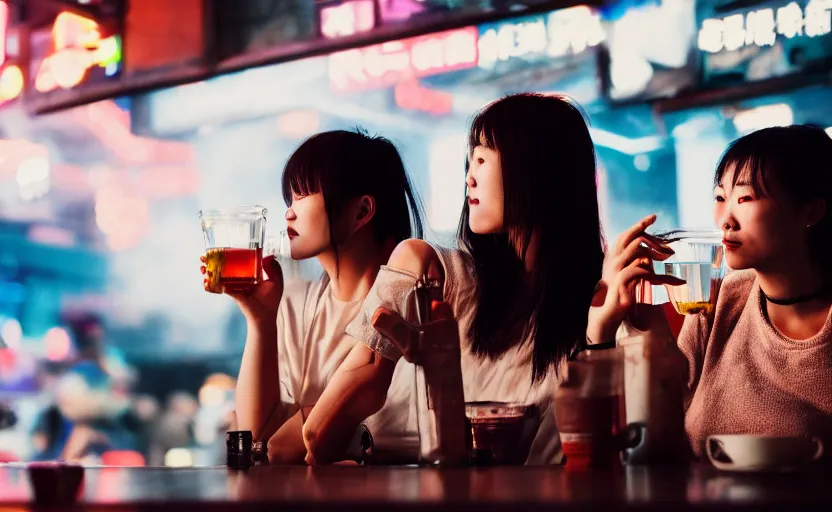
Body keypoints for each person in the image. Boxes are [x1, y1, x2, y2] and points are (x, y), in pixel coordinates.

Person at [301, 94, 608, 465]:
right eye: (470, 160)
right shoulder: (433, 275)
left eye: (481, 158)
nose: (469, 177)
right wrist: (382, 366)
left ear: (537, 168)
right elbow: (318, 436)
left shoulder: (598, 314)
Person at [588, 125, 832, 457]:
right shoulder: (721, 301)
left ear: (811, 212)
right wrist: (618, 322)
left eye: (745, 198)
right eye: (720, 198)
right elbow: (662, 435)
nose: (725, 221)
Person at [203, 129, 423, 463]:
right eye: (289, 200)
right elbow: (256, 444)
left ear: (362, 211)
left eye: (304, 195)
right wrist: (260, 319)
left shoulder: (415, 300)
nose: (289, 213)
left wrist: (308, 424)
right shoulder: (295, 305)